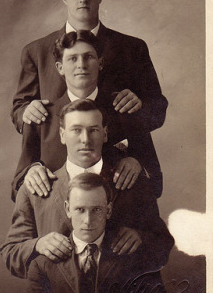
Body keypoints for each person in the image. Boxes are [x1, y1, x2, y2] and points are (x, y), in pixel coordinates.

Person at [11, 0, 168, 197]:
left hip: (116, 170)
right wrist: (27, 112)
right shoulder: (37, 51)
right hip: (57, 168)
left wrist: (139, 105)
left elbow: (157, 109)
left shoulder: (131, 48)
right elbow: (19, 110)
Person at [1, 99, 173, 280]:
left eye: (93, 130)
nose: (85, 139)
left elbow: (162, 244)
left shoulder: (133, 181)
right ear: (62, 135)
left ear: (105, 134)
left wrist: (140, 238)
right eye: (76, 130)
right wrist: (37, 245)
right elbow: (11, 252)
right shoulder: (35, 188)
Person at [12, 30, 160, 200]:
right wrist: (31, 173)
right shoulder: (41, 117)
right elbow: (16, 187)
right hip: (57, 221)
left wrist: (138, 164)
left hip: (118, 222)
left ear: (100, 63)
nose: (81, 65)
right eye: (72, 58)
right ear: (60, 68)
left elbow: (156, 180)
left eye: (88, 57)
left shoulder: (125, 111)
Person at [17, 173, 173, 293]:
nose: (88, 220)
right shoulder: (42, 265)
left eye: (96, 210)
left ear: (109, 210)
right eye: (80, 210)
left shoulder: (133, 256)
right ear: (67, 210)